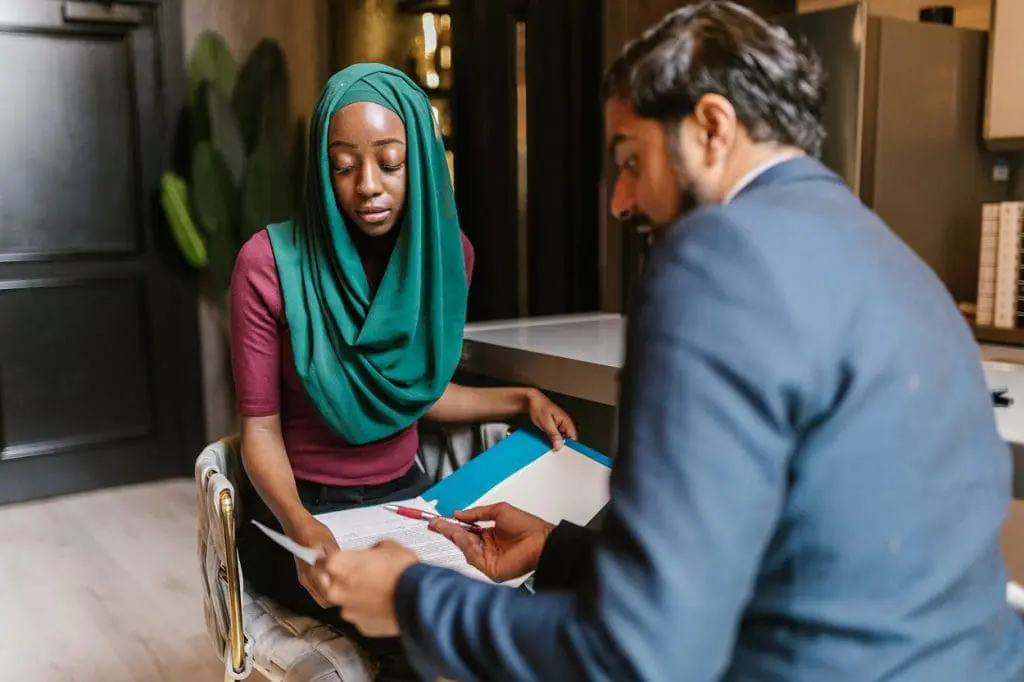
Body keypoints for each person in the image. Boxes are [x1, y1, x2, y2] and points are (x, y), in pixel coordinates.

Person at [312, 4, 1024, 681]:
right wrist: (561, 551)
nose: (622, 200)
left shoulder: (716, 255)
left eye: (630, 159)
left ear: (712, 127)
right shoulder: (898, 261)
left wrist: (414, 599)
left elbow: (636, 657)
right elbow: (785, 567)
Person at [229, 63, 576, 682]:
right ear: (320, 167)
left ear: (419, 160)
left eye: (390, 162)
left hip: (404, 501)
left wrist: (520, 398)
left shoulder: (448, 258)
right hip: (301, 510)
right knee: (414, 641)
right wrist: (300, 525)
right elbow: (260, 428)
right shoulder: (267, 264)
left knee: (492, 620)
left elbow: (414, 395)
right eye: (343, 165)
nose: (368, 185)